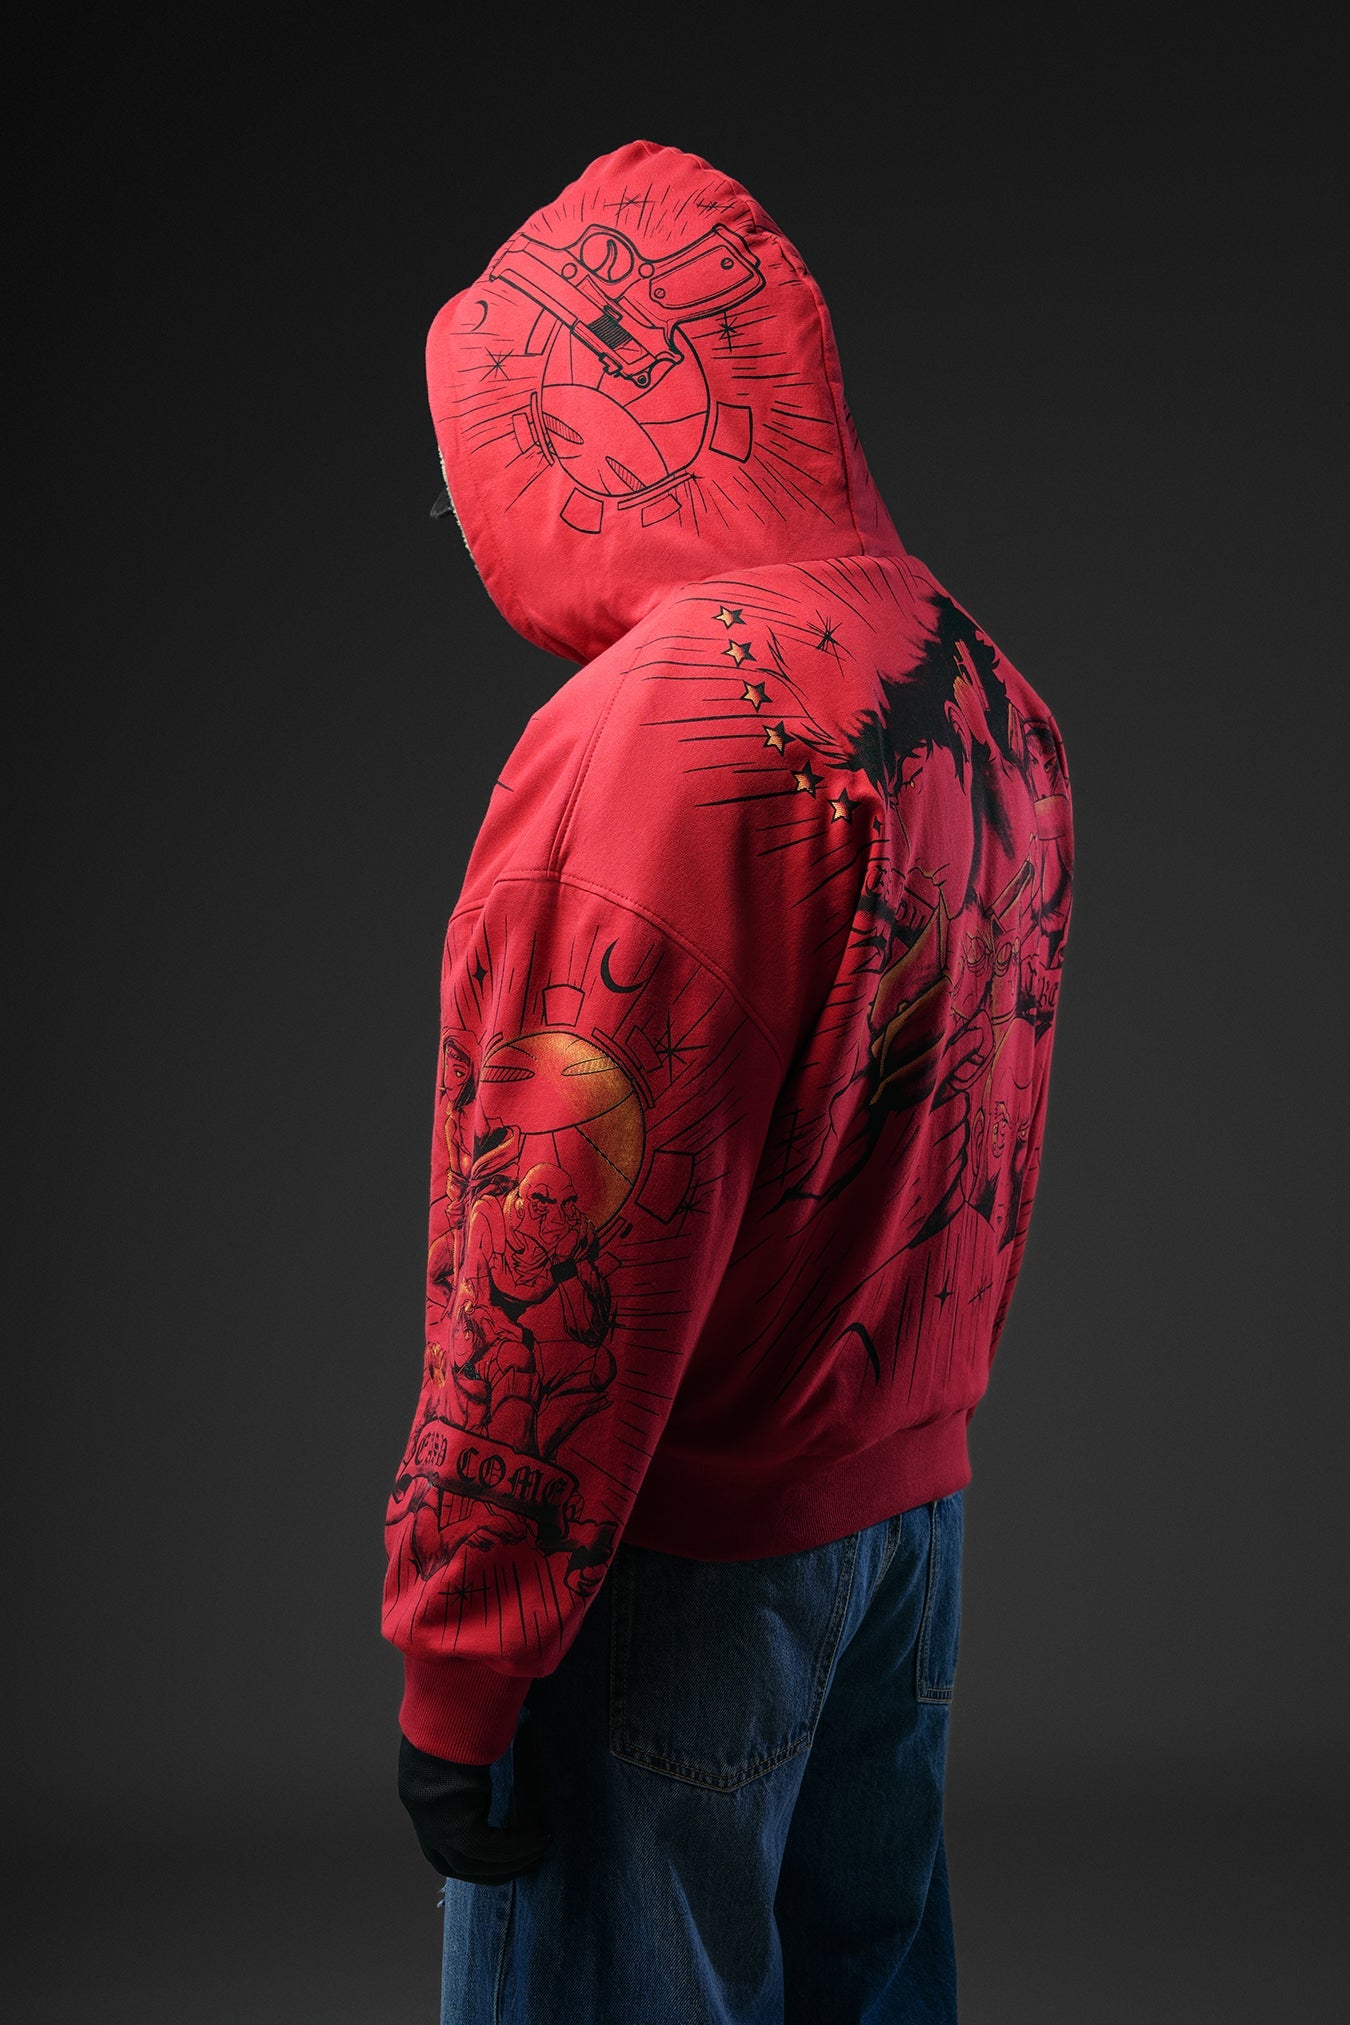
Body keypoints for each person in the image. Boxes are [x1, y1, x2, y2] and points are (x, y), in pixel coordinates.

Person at [380, 137, 1074, 2025]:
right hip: (900, 1525)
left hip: (673, 1568)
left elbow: (563, 1236)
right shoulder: (981, 688)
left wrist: (463, 1656)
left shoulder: (662, 737)